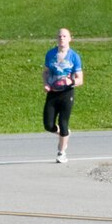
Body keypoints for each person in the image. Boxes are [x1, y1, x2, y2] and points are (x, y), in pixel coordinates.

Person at [42, 27, 83, 163]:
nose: (62, 38)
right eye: (59, 36)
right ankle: (64, 134)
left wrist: (70, 80)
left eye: (65, 36)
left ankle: (61, 152)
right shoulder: (50, 54)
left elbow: (80, 79)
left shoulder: (74, 56)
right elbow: (46, 72)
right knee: (48, 125)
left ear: (70, 39)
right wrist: (46, 83)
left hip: (67, 93)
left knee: (63, 122)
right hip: (53, 93)